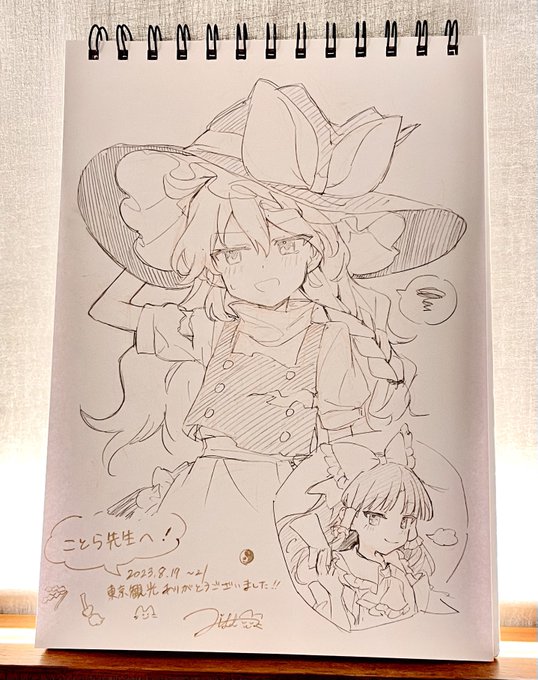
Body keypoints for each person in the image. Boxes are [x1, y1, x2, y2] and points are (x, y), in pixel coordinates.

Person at [78, 78, 466, 576]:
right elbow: (107, 311)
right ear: (211, 258)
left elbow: (344, 432)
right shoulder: (209, 326)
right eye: (235, 250)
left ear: (315, 250)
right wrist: (162, 254)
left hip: (286, 493)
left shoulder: (332, 335)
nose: (263, 268)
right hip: (204, 486)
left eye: (286, 246)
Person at [277, 425, 457, 631]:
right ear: (352, 518)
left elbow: (425, 578)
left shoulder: (399, 563)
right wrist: (334, 593)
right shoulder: (339, 565)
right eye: (375, 517)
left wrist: (410, 532)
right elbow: (336, 628)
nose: (395, 532)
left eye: (406, 520)